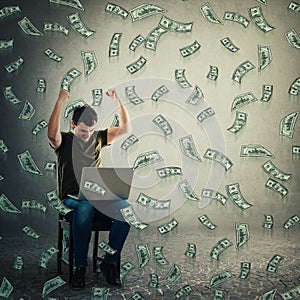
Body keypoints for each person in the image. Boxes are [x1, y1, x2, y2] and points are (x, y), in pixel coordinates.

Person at [48, 88, 131, 289]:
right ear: (74, 125)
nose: (87, 135)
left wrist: (119, 100)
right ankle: (80, 267)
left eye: (91, 131)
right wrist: (60, 101)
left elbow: (126, 128)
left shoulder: (99, 138)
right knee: (84, 208)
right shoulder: (64, 140)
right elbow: (52, 134)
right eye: (83, 131)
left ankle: (109, 263)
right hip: (71, 199)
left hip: (97, 197)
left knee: (126, 210)